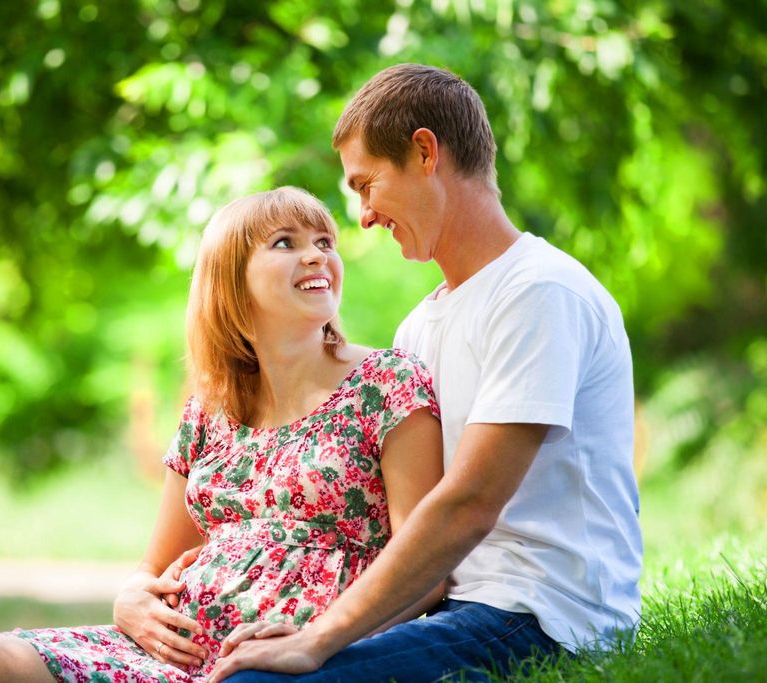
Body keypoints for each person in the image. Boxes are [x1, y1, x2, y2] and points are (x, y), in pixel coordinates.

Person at [0, 186, 445, 683]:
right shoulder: (211, 410)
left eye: (324, 242)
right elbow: (151, 570)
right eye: (285, 243)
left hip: (253, 662)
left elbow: (428, 567)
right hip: (167, 648)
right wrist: (129, 600)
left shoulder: (387, 384)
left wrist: (323, 636)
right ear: (232, 281)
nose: (317, 256)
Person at [208, 64, 643, 683]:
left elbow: (469, 504)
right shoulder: (422, 325)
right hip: (447, 604)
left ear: (423, 152)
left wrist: (318, 641)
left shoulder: (540, 293)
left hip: (541, 615)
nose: (361, 215)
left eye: (367, 185)